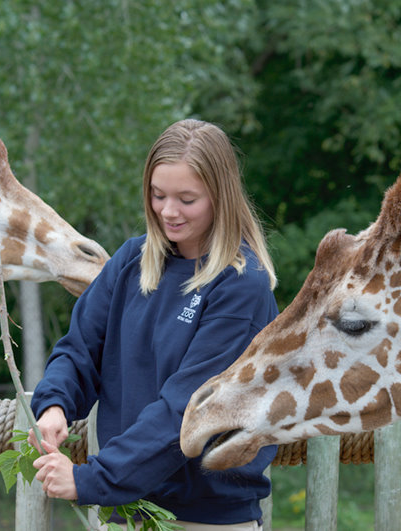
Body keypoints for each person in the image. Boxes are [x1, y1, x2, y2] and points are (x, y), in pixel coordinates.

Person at [28, 119, 279, 530]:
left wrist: (93, 479)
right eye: (158, 194)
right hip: (127, 512)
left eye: (186, 199)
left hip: (205, 520)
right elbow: (79, 350)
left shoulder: (240, 286)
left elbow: (186, 411)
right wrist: (55, 403)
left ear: (221, 197)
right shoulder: (131, 261)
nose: (168, 211)